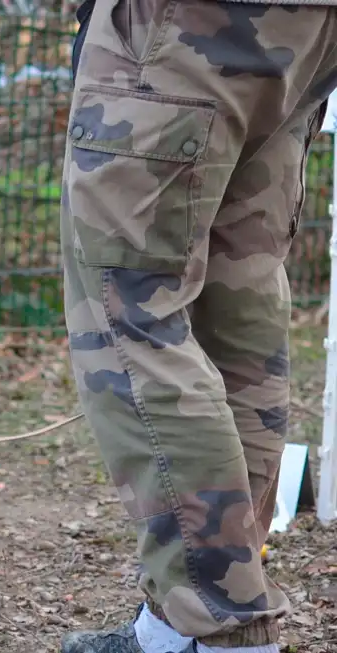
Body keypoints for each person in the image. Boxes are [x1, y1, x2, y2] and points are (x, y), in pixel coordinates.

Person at [60, 2, 337, 653]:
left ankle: (227, 630)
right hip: (308, 24)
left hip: (181, 22)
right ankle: (175, 629)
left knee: (129, 309)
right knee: (235, 297)